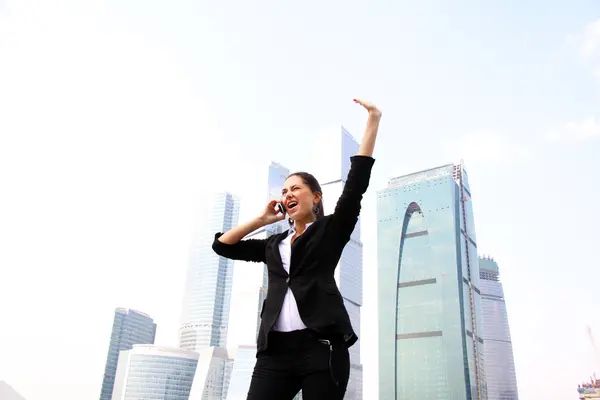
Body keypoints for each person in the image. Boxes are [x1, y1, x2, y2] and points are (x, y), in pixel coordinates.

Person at [212, 98, 382, 400]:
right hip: (274, 354)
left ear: (315, 197)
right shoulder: (273, 245)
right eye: (284, 191)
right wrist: (263, 220)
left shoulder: (330, 231)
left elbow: (356, 183)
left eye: (296, 189)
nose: (288, 194)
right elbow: (223, 247)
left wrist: (373, 121)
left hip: (322, 348)